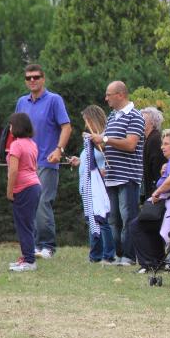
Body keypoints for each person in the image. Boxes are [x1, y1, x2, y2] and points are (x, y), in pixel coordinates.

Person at [14, 64, 70, 259]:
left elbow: (66, 127)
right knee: (28, 205)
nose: (32, 81)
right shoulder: (22, 102)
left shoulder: (54, 100)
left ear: (43, 79)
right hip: (25, 163)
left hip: (47, 160)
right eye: (28, 78)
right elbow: (16, 131)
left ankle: (47, 246)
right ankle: (35, 245)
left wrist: (59, 150)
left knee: (43, 203)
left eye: (36, 77)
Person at [99, 81, 145, 266]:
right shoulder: (112, 117)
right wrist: (97, 140)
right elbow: (106, 141)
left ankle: (129, 255)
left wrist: (105, 139)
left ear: (120, 95)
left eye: (109, 94)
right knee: (114, 219)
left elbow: (130, 144)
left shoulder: (135, 116)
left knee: (128, 218)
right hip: (111, 175)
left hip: (128, 176)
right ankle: (118, 254)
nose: (106, 98)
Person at [132, 128, 170, 271]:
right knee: (149, 226)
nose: (162, 147)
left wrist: (157, 192)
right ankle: (157, 261)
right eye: (162, 143)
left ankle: (149, 263)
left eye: (166, 144)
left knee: (137, 226)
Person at [67, 105, 115, 264]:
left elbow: (109, 160)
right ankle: (96, 254)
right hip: (87, 185)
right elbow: (91, 161)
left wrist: (104, 171)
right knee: (92, 220)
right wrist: (79, 161)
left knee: (101, 219)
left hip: (98, 187)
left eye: (87, 121)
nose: (85, 124)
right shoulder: (92, 141)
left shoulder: (101, 139)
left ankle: (106, 254)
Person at [5, 112, 43, 272]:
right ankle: (27, 256)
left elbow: (13, 171)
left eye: (11, 125)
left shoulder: (16, 145)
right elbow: (34, 167)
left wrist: (9, 191)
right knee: (28, 224)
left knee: (24, 226)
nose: (10, 128)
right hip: (35, 185)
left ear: (17, 127)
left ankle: (29, 260)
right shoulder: (31, 143)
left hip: (24, 188)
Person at [141, 108, 166, 200]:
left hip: (155, 189)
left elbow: (157, 166)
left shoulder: (155, 139)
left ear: (152, 122)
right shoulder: (147, 139)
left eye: (142, 119)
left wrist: (155, 189)